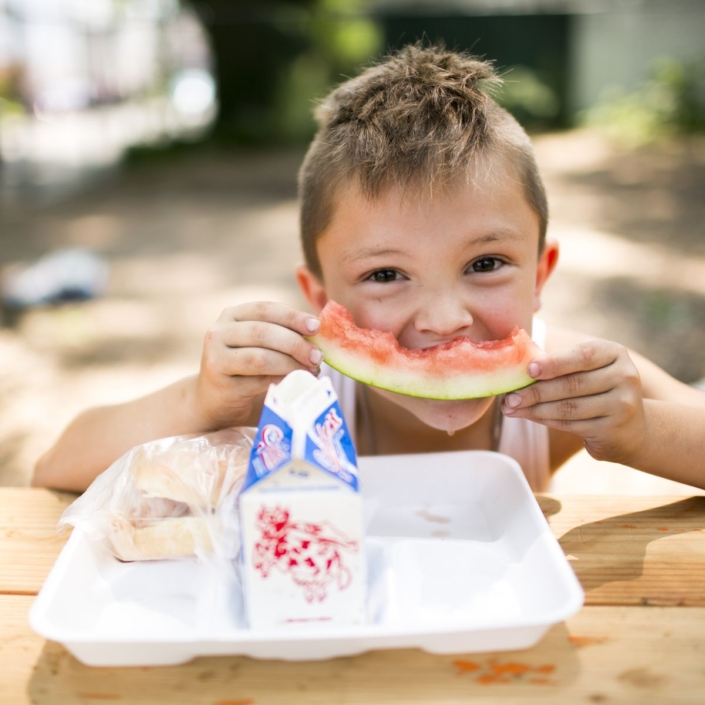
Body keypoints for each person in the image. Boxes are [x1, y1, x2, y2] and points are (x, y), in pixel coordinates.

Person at [32, 44, 705, 493]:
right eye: (385, 275)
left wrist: (639, 433)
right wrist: (200, 400)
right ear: (320, 297)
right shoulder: (295, 400)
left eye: (487, 262)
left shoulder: (563, 393)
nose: (444, 320)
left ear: (540, 274)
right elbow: (55, 468)